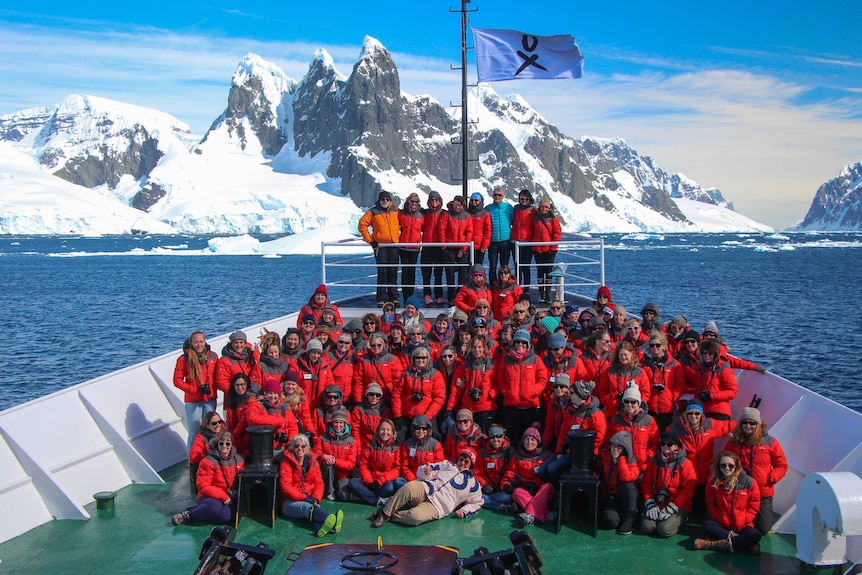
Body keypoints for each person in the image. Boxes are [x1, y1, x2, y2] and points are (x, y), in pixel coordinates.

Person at [370, 448, 484, 527]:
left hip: (439, 505)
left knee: (415, 518)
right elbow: (424, 470)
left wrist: (465, 511)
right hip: (427, 488)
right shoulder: (447, 464)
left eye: (466, 461)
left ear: (471, 465)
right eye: (461, 460)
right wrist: (425, 472)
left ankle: (391, 514)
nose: (462, 463)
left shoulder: (473, 484)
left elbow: (478, 502)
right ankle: (385, 514)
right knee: (409, 486)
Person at [723, 407, 787, 533]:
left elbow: (782, 465)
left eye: (752, 423)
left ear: (758, 424)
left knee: (763, 529)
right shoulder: (734, 442)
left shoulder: (770, 442)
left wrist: (771, 478)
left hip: (763, 491)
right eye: (745, 422)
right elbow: (723, 460)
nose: (748, 426)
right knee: (736, 525)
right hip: (740, 490)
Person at [669, 399, 735, 519]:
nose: (693, 416)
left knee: (703, 511)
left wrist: (754, 430)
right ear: (685, 414)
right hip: (687, 476)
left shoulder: (710, 424)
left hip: (707, 474)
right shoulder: (674, 429)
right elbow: (665, 443)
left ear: (702, 414)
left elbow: (731, 425)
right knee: (694, 512)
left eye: (697, 413)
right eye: (690, 413)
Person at [538, 379, 606, 485]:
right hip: (567, 449)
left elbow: (598, 438)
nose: (570, 395)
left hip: (583, 455)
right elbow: (563, 432)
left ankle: (558, 491)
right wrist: (560, 451)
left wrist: (576, 450)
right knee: (542, 470)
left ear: (580, 395)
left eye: (573, 393)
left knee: (552, 469)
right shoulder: (571, 410)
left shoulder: (595, 414)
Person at [278, 434, 345, 537]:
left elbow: (319, 483)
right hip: (288, 502)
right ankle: (332, 520)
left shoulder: (313, 463)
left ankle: (321, 527)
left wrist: (316, 498)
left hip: (309, 498)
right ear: (293, 448)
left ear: (307, 448)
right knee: (305, 507)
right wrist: (305, 498)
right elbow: (285, 487)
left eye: (303, 446)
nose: (300, 449)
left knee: (314, 507)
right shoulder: (286, 463)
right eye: (297, 446)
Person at [172, 430, 243, 526]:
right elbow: (203, 486)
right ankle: (189, 515)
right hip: (209, 496)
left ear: (232, 445)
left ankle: (203, 513)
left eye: (228, 443)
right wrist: (223, 496)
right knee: (213, 508)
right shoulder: (207, 461)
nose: (224, 446)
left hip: (229, 496)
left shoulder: (239, 460)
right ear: (217, 444)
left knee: (225, 518)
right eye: (221, 443)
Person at [696, 451, 762, 554]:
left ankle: (714, 545)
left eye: (731, 466)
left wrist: (745, 519)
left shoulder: (749, 482)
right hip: (722, 524)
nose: (727, 468)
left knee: (756, 535)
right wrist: (717, 516)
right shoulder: (713, 481)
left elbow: (754, 505)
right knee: (706, 525)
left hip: (743, 525)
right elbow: (710, 502)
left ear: (736, 466)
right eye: (723, 465)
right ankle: (744, 544)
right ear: (719, 466)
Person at [491, 329, 548, 442]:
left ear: (527, 344)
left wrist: (533, 391)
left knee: (529, 438)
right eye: (518, 342)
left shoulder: (535, 359)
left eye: (523, 342)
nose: (520, 345)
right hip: (511, 406)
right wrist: (506, 392)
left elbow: (542, 379)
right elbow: (501, 380)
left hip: (530, 406)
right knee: (513, 437)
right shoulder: (506, 359)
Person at [641, 431, 697, 538]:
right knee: (647, 527)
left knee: (664, 530)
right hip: (659, 502)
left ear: (676, 445)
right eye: (663, 444)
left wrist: (673, 507)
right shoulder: (654, 461)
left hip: (678, 504)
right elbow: (646, 483)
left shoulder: (685, 463)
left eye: (669, 444)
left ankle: (682, 521)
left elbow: (688, 490)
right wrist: (650, 502)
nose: (666, 446)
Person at [173, 330, 219, 450]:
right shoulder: (184, 359)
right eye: (196, 342)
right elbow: (177, 381)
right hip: (193, 400)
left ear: (205, 342)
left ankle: (210, 457)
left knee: (211, 429)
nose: (199, 345)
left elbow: (217, 377)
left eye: (201, 342)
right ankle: (193, 463)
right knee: (195, 432)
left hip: (209, 398)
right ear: (191, 343)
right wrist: (193, 389)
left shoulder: (213, 356)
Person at [502, 425, 552, 527]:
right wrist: (506, 485)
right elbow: (509, 474)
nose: (529, 442)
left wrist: (535, 483)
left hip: (540, 489)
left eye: (533, 439)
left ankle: (530, 515)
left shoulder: (547, 455)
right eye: (527, 439)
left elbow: (549, 475)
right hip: (525, 490)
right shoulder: (516, 457)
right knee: (517, 492)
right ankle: (544, 514)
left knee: (548, 487)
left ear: (538, 441)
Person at [392, 346, 446, 440]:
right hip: (407, 416)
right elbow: (396, 394)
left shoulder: (435, 375)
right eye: (417, 357)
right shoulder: (406, 374)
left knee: (432, 440)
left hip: (427, 416)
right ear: (413, 359)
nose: (420, 360)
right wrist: (398, 415)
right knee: (400, 440)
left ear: (428, 358)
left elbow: (439, 398)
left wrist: (427, 416)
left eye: (423, 357)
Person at [348, 419, 406, 505]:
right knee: (352, 482)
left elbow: (397, 470)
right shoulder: (370, 445)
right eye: (382, 429)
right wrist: (369, 482)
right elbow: (363, 465)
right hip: (371, 479)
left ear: (392, 432)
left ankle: (364, 497)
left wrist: (380, 481)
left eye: (388, 430)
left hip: (385, 481)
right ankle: (377, 499)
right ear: (378, 431)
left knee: (389, 488)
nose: (385, 432)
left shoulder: (396, 447)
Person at [446, 336, 496, 433]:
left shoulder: (492, 364)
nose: (477, 350)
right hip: (468, 406)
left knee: (484, 435)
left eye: (479, 347)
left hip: (486, 406)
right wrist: (450, 408)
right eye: (474, 347)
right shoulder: (464, 365)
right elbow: (456, 389)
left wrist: (491, 394)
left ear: (484, 348)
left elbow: (498, 383)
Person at [358, 190, 400, 306]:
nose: (385, 201)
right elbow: (362, 225)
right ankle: (381, 298)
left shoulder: (396, 211)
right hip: (380, 247)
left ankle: (394, 297)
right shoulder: (373, 212)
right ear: (379, 200)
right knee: (382, 272)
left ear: (390, 201)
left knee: (393, 272)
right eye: (383, 199)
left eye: (387, 199)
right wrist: (370, 240)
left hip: (394, 246)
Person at [597, 431, 641, 535]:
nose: (615, 449)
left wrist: (621, 460)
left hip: (625, 497)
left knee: (629, 486)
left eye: (619, 447)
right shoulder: (604, 457)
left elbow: (626, 477)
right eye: (613, 446)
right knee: (611, 521)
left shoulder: (632, 462)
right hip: (610, 496)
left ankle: (629, 520)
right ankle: (617, 516)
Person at [604, 386, 659, 468]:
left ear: (638, 403)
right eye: (626, 401)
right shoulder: (615, 419)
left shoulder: (649, 420)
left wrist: (647, 456)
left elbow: (656, 443)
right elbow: (608, 442)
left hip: (642, 466)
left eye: (633, 402)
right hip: (622, 466)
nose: (629, 405)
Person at [596, 341, 651, 420]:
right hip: (613, 410)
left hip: (632, 411)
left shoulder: (640, 372)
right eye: (621, 355)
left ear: (631, 354)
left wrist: (636, 402)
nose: (623, 357)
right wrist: (611, 399)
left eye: (625, 354)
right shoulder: (609, 371)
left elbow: (645, 392)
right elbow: (602, 390)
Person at [641, 332, 684, 432]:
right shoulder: (643, 364)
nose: (654, 348)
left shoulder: (674, 364)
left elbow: (680, 383)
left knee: (666, 436)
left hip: (667, 407)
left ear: (664, 346)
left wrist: (674, 397)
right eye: (651, 345)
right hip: (650, 406)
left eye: (658, 345)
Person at [689, 338, 738, 420]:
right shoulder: (701, 369)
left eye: (710, 353)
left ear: (715, 354)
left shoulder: (723, 369)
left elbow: (733, 392)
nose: (707, 355)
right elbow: (697, 390)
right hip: (702, 412)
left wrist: (711, 396)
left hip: (719, 412)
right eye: (704, 353)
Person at [438, 195, 474, 305]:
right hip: (449, 247)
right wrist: (443, 245)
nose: (457, 207)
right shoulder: (446, 214)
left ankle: (461, 296)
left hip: (462, 247)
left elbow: (469, 232)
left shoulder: (467, 216)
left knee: (463, 273)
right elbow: (442, 229)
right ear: (452, 204)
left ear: (463, 206)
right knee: (450, 273)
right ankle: (451, 296)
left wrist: (463, 249)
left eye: (459, 205)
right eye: (455, 205)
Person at [245, 380, 299, 452]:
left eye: (275, 393)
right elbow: (252, 418)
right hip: (265, 448)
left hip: (283, 446)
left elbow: (293, 425)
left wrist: (290, 442)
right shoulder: (258, 404)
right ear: (265, 393)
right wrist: (277, 421)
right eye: (270, 393)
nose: (273, 396)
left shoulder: (285, 406)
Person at [351, 333, 404, 404]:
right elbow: (358, 381)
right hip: (368, 398)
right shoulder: (363, 359)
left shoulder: (393, 359)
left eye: (379, 345)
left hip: (386, 399)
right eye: (373, 345)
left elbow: (397, 382)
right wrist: (358, 400)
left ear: (384, 345)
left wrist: (394, 400)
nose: (376, 347)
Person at [318, 407, 357, 501]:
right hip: (326, 473)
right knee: (328, 465)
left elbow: (351, 464)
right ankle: (329, 492)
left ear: (345, 424)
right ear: (332, 423)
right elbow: (315, 453)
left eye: (341, 423)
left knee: (343, 496)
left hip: (342, 474)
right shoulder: (322, 438)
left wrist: (335, 461)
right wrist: (323, 456)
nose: (338, 425)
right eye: (336, 422)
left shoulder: (351, 441)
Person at [476, 424, 515, 512]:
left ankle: (488, 502)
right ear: (488, 438)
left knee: (508, 496)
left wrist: (505, 485)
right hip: (487, 489)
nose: (495, 440)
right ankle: (500, 506)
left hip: (502, 489)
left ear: (503, 437)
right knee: (474, 495)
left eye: (499, 436)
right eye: (492, 437)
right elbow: (477, 473)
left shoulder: (510, 451)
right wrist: (484, 485)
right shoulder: (482, 452)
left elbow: (511, 471)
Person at [530, 195, 562, 304]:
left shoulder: (553, 219)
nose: (544, 209)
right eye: (542, 207)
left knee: (548, 271)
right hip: (537, 249)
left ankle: (548, 294)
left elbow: (557, 234)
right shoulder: (535, 217)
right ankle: (541, 294)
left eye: (546, 207)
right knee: (540, 271)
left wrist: (553, 248)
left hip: (549, 250)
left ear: (549, 208)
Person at [399, 414, 444, 481]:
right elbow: (405, 467)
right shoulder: (407, 444)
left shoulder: (435, 444)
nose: (421, 431)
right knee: (398, 482)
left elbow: (439, 466)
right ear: (413, 429)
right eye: (418, 428)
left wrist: (428, 476)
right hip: (412, 480)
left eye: (424, 428)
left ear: (428, 429)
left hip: (430, 479)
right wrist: (414, 480)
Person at [224, 373, 259, 457]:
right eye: (237, 385)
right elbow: (229, 421)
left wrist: (234, 435)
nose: (240, 388)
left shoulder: (251, 400)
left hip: (248, 437)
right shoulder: (232, 400)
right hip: (236, 437)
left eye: (242, 384)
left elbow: (244, 422)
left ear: (247, 385)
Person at [398, 192, 424, 302]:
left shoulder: (421, 215)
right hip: (403, 246)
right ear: (408, 202)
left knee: (412, 272)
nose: (414, 203)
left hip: (414, 247)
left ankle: (410, 295)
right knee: (405, 271)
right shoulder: (401, 213)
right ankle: (405, 296)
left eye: (416, 202)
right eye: (412, 201)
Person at [421, 191, 446, 305]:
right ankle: (427, 294)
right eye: (432, 200)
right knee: (426, 273)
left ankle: (439, 295)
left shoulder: (444, 213)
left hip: (439, 247)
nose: (434, 202)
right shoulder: (425, 213)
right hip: (427, 246)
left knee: (438, 272)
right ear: (429, 201)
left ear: (440, 201)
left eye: (436, 200)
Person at [295, 338, 335, 411]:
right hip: (302, 403)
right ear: (308, 352)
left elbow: (330, 384)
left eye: (318, 353)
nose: (316, 356)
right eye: (313, 353)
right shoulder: (298, 365)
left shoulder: (324, 367)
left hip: (318, 405)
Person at [216, 330, 258, 398]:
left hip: (250, 396)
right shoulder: (224, 361)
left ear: (245, 344)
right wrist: (238, 391)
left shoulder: (249, 357)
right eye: (236, 343)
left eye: (241, 342)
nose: (239, 345)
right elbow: (221, 383)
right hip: (233, 399)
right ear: (231, 344)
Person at [351, 382, 391, 452]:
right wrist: (357, 446)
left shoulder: (385, 410)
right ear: (367, 395)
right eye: (371, 394)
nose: (374, 397)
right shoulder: (359, 409)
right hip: (363, 443)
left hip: (379, 444)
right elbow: (355, 429)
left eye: (378, 395)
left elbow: (387, 430)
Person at [188, 412, 223, 485]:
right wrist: (209, 458)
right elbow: (193, 457)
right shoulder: (201, 438)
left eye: (219, 422)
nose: (218, 425)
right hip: (209, 467)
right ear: (207, 425)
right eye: (214, 423)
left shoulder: (224, 433)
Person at [487, 186, 514, 279]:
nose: (497, 197)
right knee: (492, 265)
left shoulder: (508, 207)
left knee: (504, 266)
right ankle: (493, 286)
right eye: (495, 195)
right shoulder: (488, 208)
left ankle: (504, 286)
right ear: (492, 196)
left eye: (499, 195)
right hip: (493, 241)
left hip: (505, 241)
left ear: (503, 196)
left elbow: (513, 221)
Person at [511, 189, 535, 287]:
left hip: (527, 242)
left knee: (526, 267)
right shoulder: (515, 208)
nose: (524, 201)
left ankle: (526, 289)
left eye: (526, 199)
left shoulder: (533, 210)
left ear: (530, 199)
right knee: (517, 267)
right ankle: (518, 288)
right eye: (522, 198)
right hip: (515, 242)